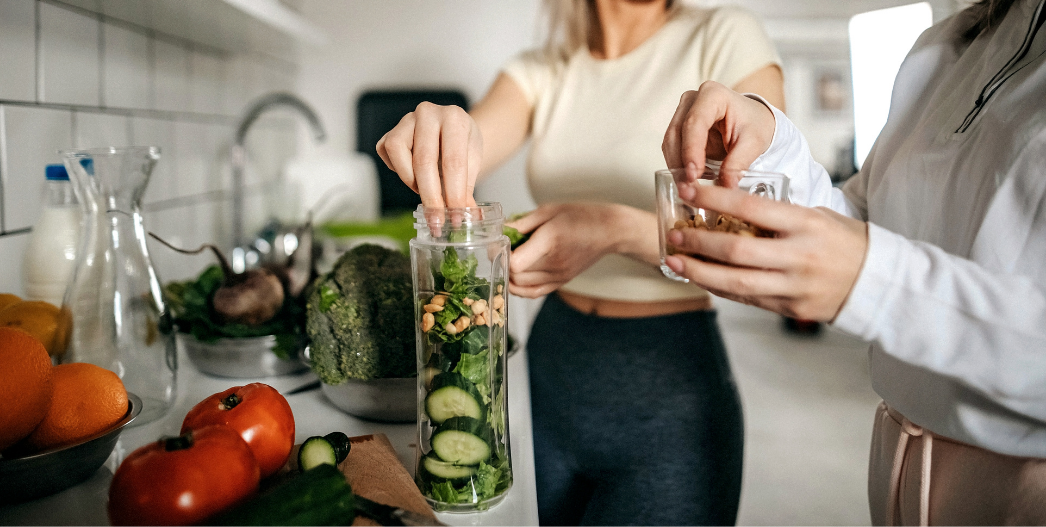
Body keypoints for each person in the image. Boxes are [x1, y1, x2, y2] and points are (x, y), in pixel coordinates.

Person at [376, 0, 782, 523]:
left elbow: (765, 228)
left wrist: (611, 228)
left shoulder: (725, 35)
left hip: (669, 388)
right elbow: (475, 136)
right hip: (550, 366)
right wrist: (442, 131)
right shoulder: (543, 70)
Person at [661, 0, 1046, 523]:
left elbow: (874, 261)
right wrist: (773, 142)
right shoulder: (944, 47)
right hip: (895, 463)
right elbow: (868, 220)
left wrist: (874, 281)